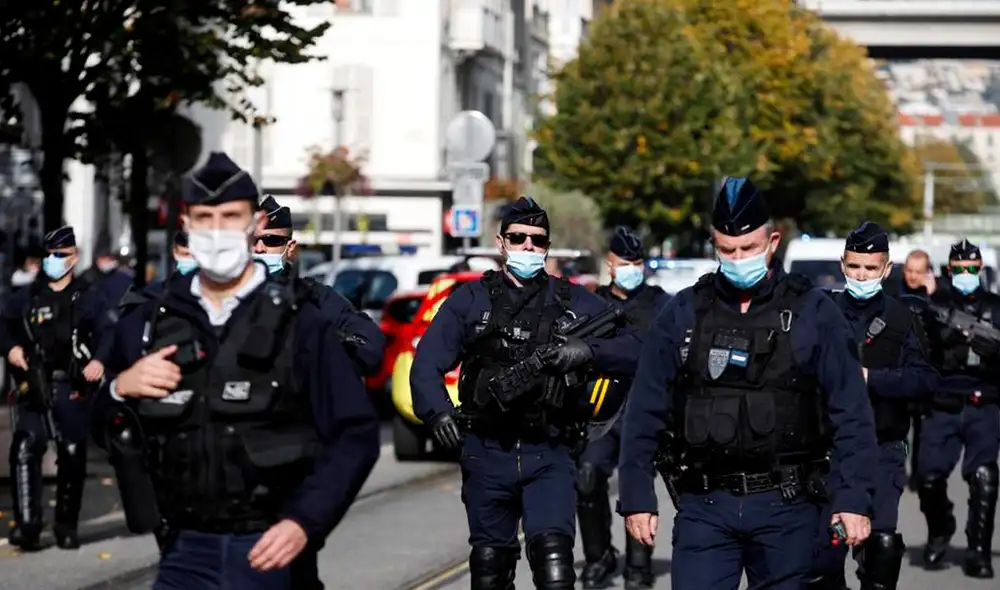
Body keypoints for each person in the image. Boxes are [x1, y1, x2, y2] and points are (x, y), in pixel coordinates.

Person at [100, 152, 381, 589]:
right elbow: (100, 424)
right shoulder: (152, 317)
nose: (217, 231)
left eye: (230, 217)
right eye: (205, 217)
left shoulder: (301, 320)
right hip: (183, 547)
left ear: (254, 223)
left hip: (268, 542)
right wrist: (119, 389)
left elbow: (355, 433)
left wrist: (305, 521)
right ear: (186, 224)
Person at [617, 177, 879, 590]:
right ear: (714, 245)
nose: (738, 259)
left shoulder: (814, 312)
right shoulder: (684, 312)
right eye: (727, 250)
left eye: (748, 248)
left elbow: (852, 414)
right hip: (704, 505)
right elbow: (645, 410)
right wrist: (636, 496)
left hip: (788, 507)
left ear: (772, 242)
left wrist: (853, 499)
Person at [410, 196, 641, 589]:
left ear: (547, 247)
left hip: (549, 451)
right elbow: (427, 364)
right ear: (502, 243)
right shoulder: (470, 300)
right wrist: (438, 412)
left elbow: (635, 348)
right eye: (518, 238)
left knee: (555, 569)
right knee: (490, 567)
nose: (528, 246)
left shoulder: (573, 301)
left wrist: (587, 351)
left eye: (538, 239)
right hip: (486, 450)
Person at [809, 222, 939, 590]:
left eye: (870, 268)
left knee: (880, 550)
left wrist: (871, 378)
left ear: (886, 268)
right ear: (842, 265)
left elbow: (926, 380)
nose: (861, 275)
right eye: (854, 266)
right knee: (820, 560)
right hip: (826, 451)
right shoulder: (821, 312)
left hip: (882, 449)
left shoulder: (904, 318)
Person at [1, 226, 112, 550]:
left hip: (71, 386)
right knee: (25, 446)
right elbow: (3, 324)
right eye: (49, 255)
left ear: (74, 258)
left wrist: (99, 361)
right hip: (34, 383)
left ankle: (66, 525)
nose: (53, 260)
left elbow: (108, 332)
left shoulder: (88, 296)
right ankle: (27, 525)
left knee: (72, 452)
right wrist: (10, 349)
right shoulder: (27, 297)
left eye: (60, 255)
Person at [576, 226, 669, 589]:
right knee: (587, 476)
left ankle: (638, 565)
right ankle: (599, 556)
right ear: (610, 264)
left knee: (639, 481)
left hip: (644, 410)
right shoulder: (591, 304)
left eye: (637, 262)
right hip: (602, 412)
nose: (631, 268)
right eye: (624, 262)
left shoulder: (661, 304)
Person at [916, 238, 999, 579]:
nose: (966, 273)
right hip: (943, 403)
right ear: (949, 270)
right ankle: (941, 529)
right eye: (959, 268)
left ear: (980, 269)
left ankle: (978, 551)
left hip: (984, 402)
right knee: (928, 478)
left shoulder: (995, 307)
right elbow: (919, 348)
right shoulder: (935, 305)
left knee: (984, 477)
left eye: (971, 268)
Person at [254, 194, 384, 376]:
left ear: (289, 248)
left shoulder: (315, 298)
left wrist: (321, 342)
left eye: (272, 241)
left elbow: (369, 347)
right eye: (252, 240)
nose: (259, 248)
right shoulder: (217, 296)